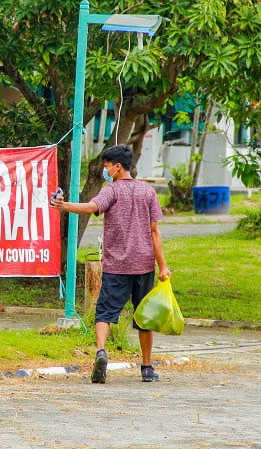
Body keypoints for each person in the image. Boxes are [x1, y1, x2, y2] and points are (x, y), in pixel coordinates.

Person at [51, 144, 171, 384]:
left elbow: (91, 207)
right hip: (144, 265)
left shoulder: (112, 191)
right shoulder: (148, 192)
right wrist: (163, 266)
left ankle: (101, 352)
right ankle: (147, 368)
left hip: (116, 265)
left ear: (117, 167)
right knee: (144, 316)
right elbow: (155, 232)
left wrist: (63, 206)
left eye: (106, 166)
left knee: (104, 313)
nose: (105, 170)